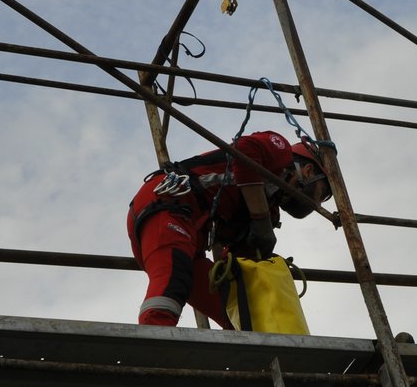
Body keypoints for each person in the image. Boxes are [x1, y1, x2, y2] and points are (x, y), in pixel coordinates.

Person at [127, 130, 330, 327]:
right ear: (308, 171)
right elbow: (245, 150)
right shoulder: (278, 151)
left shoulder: (267, 206)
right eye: (321, 195)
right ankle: (153, 349)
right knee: (172, 280)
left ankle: (259, 356)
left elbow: (238, 260)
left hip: (190, 239)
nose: (317, 205)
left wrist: (263, 264)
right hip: (167, 205)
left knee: (238, 311)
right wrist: (261, 219)